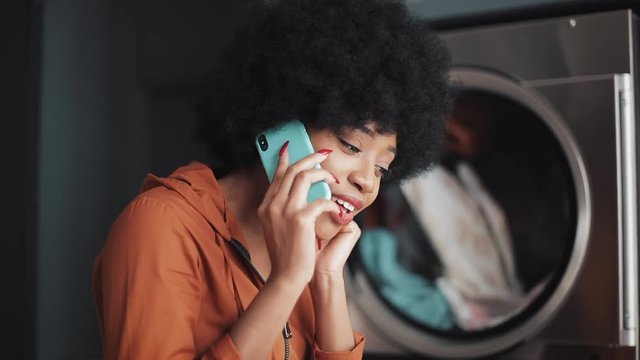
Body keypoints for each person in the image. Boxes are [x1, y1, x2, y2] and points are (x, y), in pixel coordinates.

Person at [92, 0, 452, 358]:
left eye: (381, 168)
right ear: (283, 125)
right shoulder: (160, 224)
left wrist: (326, 279)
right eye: (351, 145)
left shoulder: (310, 251)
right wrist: (286, 282)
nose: (367, 182)